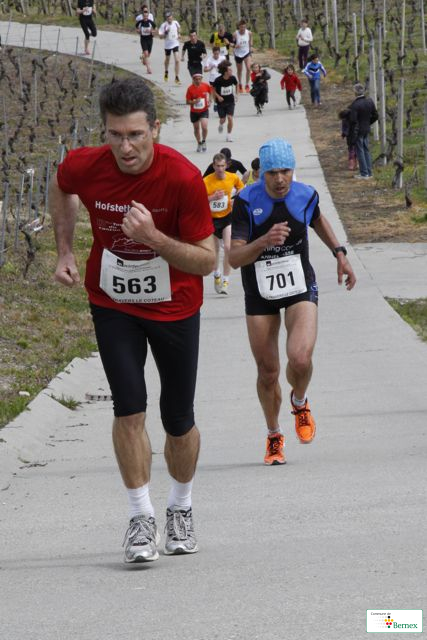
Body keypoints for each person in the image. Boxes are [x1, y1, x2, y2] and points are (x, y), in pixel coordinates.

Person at [50, 77, 215, 563]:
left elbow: (208, 260)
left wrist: (154, 239)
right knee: (128, 408)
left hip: (175, 305)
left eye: (136, 135)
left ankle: (180, 507)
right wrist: (64, 250)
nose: (125, 147)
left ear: (155, 130)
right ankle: (140, 517)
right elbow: (61, 186)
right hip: (113, 301)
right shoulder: (86, 165)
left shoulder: (181, 177)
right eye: (115, 135)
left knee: (178, 419)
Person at [229, 138, 356, 466]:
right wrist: (263, 241)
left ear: (292, 170)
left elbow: (318, 220)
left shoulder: (305, 195)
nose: (280, 179)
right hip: (259, 292)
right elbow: (234, 258)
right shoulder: (246, 201)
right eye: (272, 173)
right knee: (268, 371)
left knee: (300, 359)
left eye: (286, 171)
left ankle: (300, 402)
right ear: (262, 173)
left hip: (299, 285)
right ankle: (274, 434)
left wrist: (339, 253)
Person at [203, 152, 244, 295]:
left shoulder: (232, 177)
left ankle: (226, 281)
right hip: (212, 219)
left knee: (228, 247)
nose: (220, 169)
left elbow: (242, 188)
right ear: (213, 166)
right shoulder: (207, 181)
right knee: (215, 250)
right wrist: (212, 197)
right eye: (217, 166)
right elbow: (198, 200)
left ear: (226, 165)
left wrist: (235, 199)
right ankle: (217, 275)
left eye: (222, 166)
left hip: (227, 217)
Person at [349, 83, 378, 180]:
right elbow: (375, 115)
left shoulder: (355, 105)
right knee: (366, 150)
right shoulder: (370, 101)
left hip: (358, 131)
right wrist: (368, 123)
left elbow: (353, 121)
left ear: (355, 92)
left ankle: (364, 173)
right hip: (366, 128)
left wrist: (353, 133)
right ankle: (369, 172)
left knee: (360, 151)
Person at [212, 60, 238, 143]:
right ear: (225, 72)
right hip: (221, 102)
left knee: (230, 118)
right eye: (230, 70)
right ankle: (221, 124)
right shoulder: (218, 80)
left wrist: (237, 94)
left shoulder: (232, 78)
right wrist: (218, 96)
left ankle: (228, 135)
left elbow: (237, 84)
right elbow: (213, 90)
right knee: (222, 119)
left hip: (230, 101)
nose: (231, 71)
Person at [186, 72, 211, 152]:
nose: (198, 81)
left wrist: (210, 100)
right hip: (194, 112)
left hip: (204, 110)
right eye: (196, 79)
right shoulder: (190, 89)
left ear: (201, 79)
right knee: (196, 129)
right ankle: (199, 142)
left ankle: (204, 141)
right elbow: (187, 102)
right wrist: (195, 102)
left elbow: (211, 92)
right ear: (193, 80)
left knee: (204, 127)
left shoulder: (206, 85)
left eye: (199, 79)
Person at [158, 11, 181, 84]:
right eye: (168, 17)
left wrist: (179, 34)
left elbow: (179, 28)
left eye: (170, 17)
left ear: (172, 17)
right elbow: (160, 37)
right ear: (166, 18)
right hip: (168, 45)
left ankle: (176, 77)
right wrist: (166, 32)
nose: (169, 18)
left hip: (175, 43)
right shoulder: (164, 25)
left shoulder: (176, 23)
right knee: (167, 59)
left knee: (177, 60)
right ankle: (166, 71)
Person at [232, 18, 253, 93]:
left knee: (248, 68)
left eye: (244, 27)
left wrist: (251, 47)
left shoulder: (249, 33)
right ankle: (240, 84)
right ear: (239, 27)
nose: (243, 28)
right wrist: (235, 46)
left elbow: (250, 41)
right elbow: (231, 44)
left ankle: (247, 85)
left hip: (246, 53)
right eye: (241, 27)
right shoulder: (235, 34)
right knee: (239, 70)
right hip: (238, 54)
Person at [204, 46, 226, 111]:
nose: (216, 55)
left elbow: (227, 66)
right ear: (213, 53)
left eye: (217, 54)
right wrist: (211, 67)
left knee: (221, 90)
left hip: (221, 77)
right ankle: (215, 103)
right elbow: (205, 70)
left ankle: (222, 103)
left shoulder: (223, 58)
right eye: (215, 54)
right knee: (214, 91)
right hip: (212, 78)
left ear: (219, 53)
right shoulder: (209, 59)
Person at [135, 6, 156, 73]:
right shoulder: (140, 22)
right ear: (142, 15)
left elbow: (155, 29)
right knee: (146, 53)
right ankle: (148, 68)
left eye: (146, 16)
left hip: (150, 39)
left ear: (148, 15)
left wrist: (152, 31)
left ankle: (143, 57)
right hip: (143, 39)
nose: (145, 17)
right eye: (144, 16)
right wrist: (139, 31)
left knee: (148, 54)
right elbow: (136, 29)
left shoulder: (151, 22)